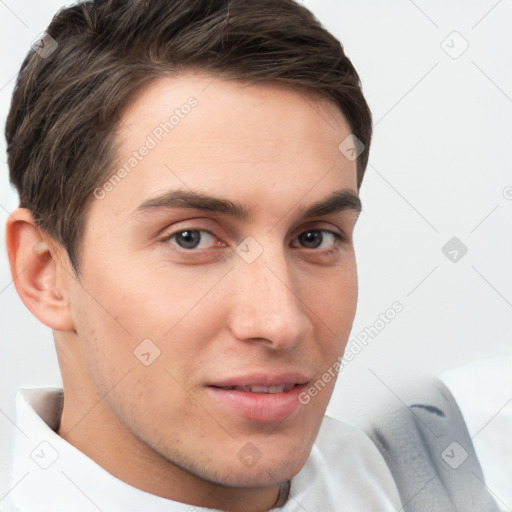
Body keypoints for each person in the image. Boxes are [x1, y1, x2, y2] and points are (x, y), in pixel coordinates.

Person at [1, 1, 498, 511]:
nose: (281, 323)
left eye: (314, 238)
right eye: (190, 238)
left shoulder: (429, 474)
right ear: (44, 273)